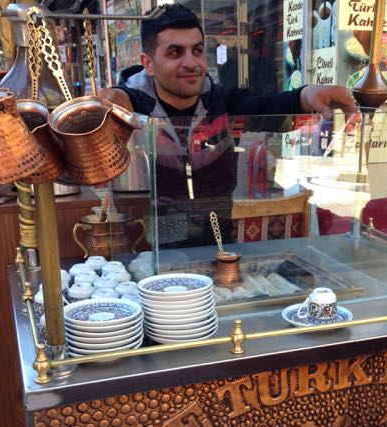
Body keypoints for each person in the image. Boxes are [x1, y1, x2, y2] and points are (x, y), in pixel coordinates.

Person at [99, 4, 356, 246]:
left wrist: (305, 96)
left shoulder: (221, 100)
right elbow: (114, 107)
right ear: (148, 64)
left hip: (217, 232)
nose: (191, 62)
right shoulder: (131, 105)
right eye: (175, 52)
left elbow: (266, 108)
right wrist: (116, 101)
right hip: (150, 239)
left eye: (197, 50)